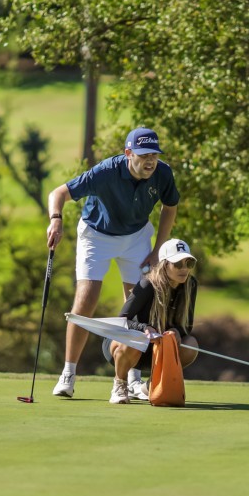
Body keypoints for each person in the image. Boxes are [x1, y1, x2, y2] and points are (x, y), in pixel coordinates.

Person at [46, 127, 179, 400]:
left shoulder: (163, 173)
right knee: (86, 299)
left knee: (138, 304)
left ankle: (132, 379)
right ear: (129, 153)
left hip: (136, 237)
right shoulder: (105, 172)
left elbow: (170, 207)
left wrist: (157, 250)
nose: (150, 161)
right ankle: (68, 374)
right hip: (96, 236)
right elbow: (57, 193)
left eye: (154, 155)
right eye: (144, 155)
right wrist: (56, 219)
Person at [103, 237, 200, 404]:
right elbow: (121, 320)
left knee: (191, 344)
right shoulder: (147, 285)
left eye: (188, 263)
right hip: (125, 346)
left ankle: (149, 386)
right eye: (178, 264)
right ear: (165, 264)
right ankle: (120, 385)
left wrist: (177, 331)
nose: (184, 269)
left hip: (156, 349)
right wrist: (144, 328)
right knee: (134, 340)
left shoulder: (190, 285)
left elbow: (187, 325)